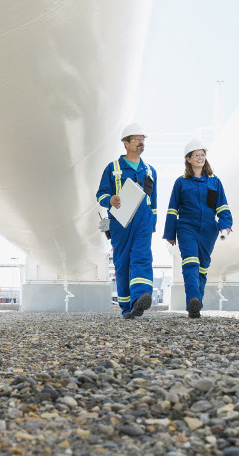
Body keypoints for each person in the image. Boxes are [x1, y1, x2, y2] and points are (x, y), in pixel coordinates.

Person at [163, 139, 232, 318]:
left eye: (203, 154)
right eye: (196, 155)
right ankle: (192, 298)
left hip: (209, 229)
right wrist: (170, 233)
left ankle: (196, 304)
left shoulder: (214, 182)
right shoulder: (181, 183)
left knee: (202, 267)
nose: (200, 158)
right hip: (186, 226)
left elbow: (222, 207)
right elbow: (172, 209)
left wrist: (225, 225)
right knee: (190, 262)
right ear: (188, 159)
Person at [96, 123, 158, 319]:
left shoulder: (150, 171)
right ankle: (126, 308)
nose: (141, 142)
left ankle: (140, 297)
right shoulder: (113, 168)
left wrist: (152, 223)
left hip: (143, 220)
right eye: (137, 139)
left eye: (143, 139)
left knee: (142, 256)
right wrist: (109, 200)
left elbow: (153, 201)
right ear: (126, 143)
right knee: (122, 262)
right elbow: (101, 194)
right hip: (120, 221)